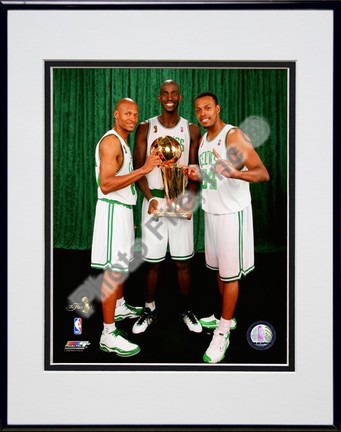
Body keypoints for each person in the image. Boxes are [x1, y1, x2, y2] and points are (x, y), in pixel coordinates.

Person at [190, 92, 270, 364]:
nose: (203, 114)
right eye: (199, 110)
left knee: (230, 276)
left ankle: (223, 332)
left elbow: (261, 173)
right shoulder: (204, 140)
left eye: (208, 108)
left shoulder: (233, 135)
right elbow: (213, 175)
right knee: (219, 272)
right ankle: (227, 317)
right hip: (212, 213)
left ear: (218, 108)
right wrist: (197, 173)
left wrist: (237, 173)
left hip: (231, 214)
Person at [91, 98, 161, 356]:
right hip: (111, 211)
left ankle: (119, 307)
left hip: (121, 211)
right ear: (116, 115)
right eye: (127, 113)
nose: (132, 118)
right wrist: (144, 169)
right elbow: (107, 184)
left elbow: (122, 183)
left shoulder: (124, 143)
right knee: (112, 271)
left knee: (120, 265)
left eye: (136, 114)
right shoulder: (110, 141)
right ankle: (107, 334)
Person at [132, 80, 202, 334]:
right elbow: (139, 169)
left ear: (180, 97)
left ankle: (186, 309)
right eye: (165, 94)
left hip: (180, 198)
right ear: (159, 98)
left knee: (183, 262)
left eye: (174, 94)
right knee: (153, 262)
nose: (169, 97)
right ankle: (148, 309)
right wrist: (150, 198)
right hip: (155, 200)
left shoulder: (191, 129)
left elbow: (195, 172)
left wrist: (189, 200)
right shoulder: (145, 127)